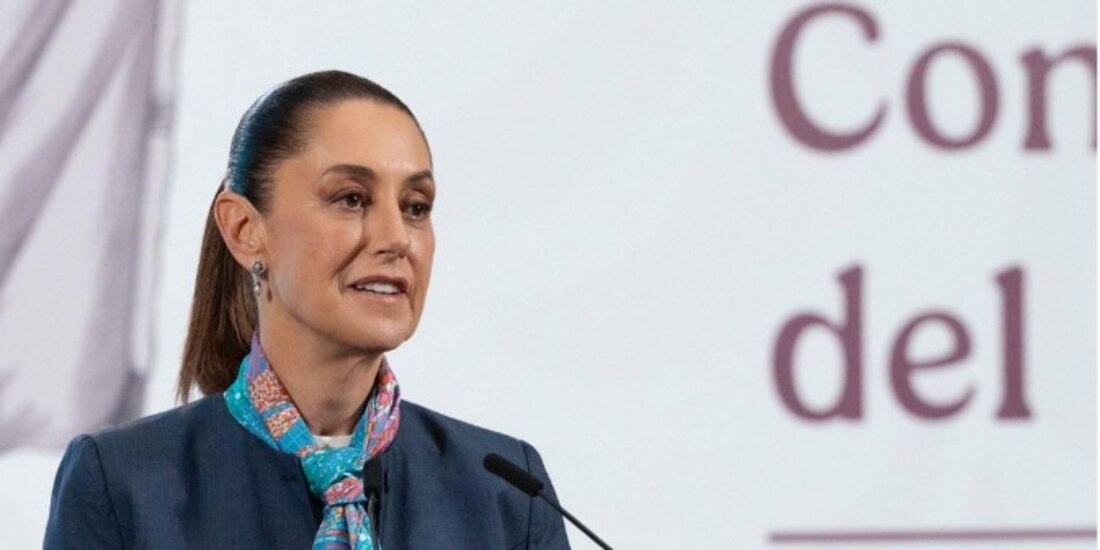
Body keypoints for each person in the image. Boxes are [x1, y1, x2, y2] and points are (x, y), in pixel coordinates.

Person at [44, 70, 571, 549]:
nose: (395, 238)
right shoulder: (120, 484)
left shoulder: (507, 495)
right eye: (351, 198)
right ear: (245, 231)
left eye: (415, 208)